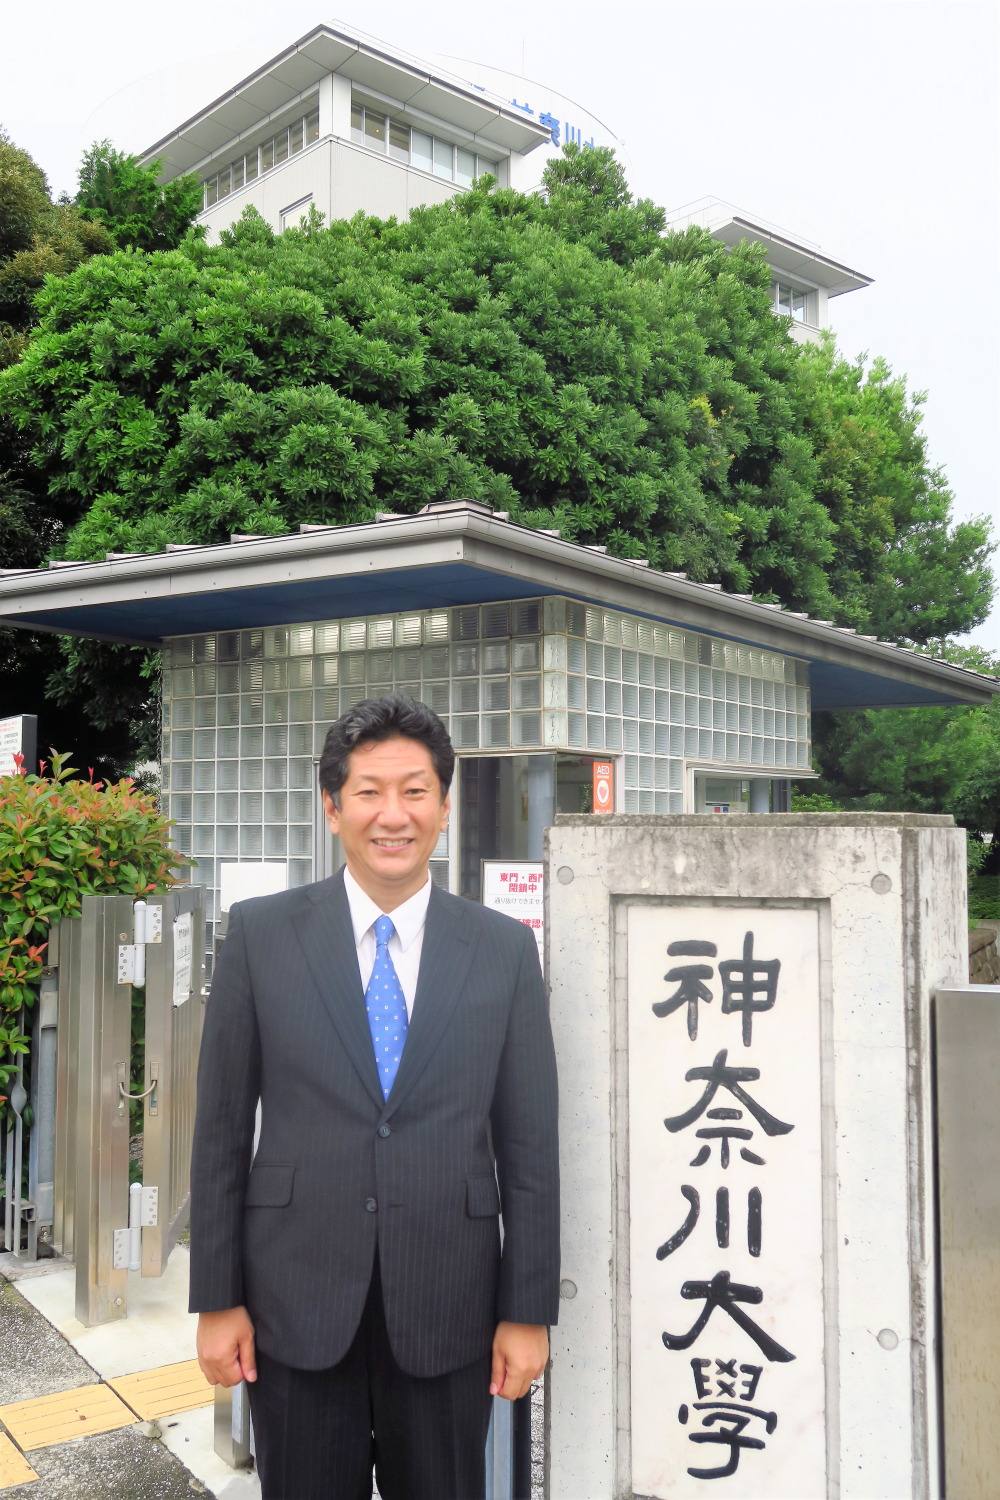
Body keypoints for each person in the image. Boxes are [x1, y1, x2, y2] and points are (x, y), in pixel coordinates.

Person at [190, 693, 560, 1500]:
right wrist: (216, 1300)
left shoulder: (502, 950)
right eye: (368, 792)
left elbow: (530, 1146)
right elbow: (219, 1129)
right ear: (332, 808)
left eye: (415, 791)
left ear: (445, 806)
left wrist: (526, 1310)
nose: (393, 815)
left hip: (449, 1305)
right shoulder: (260, 934)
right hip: (294, 1299)